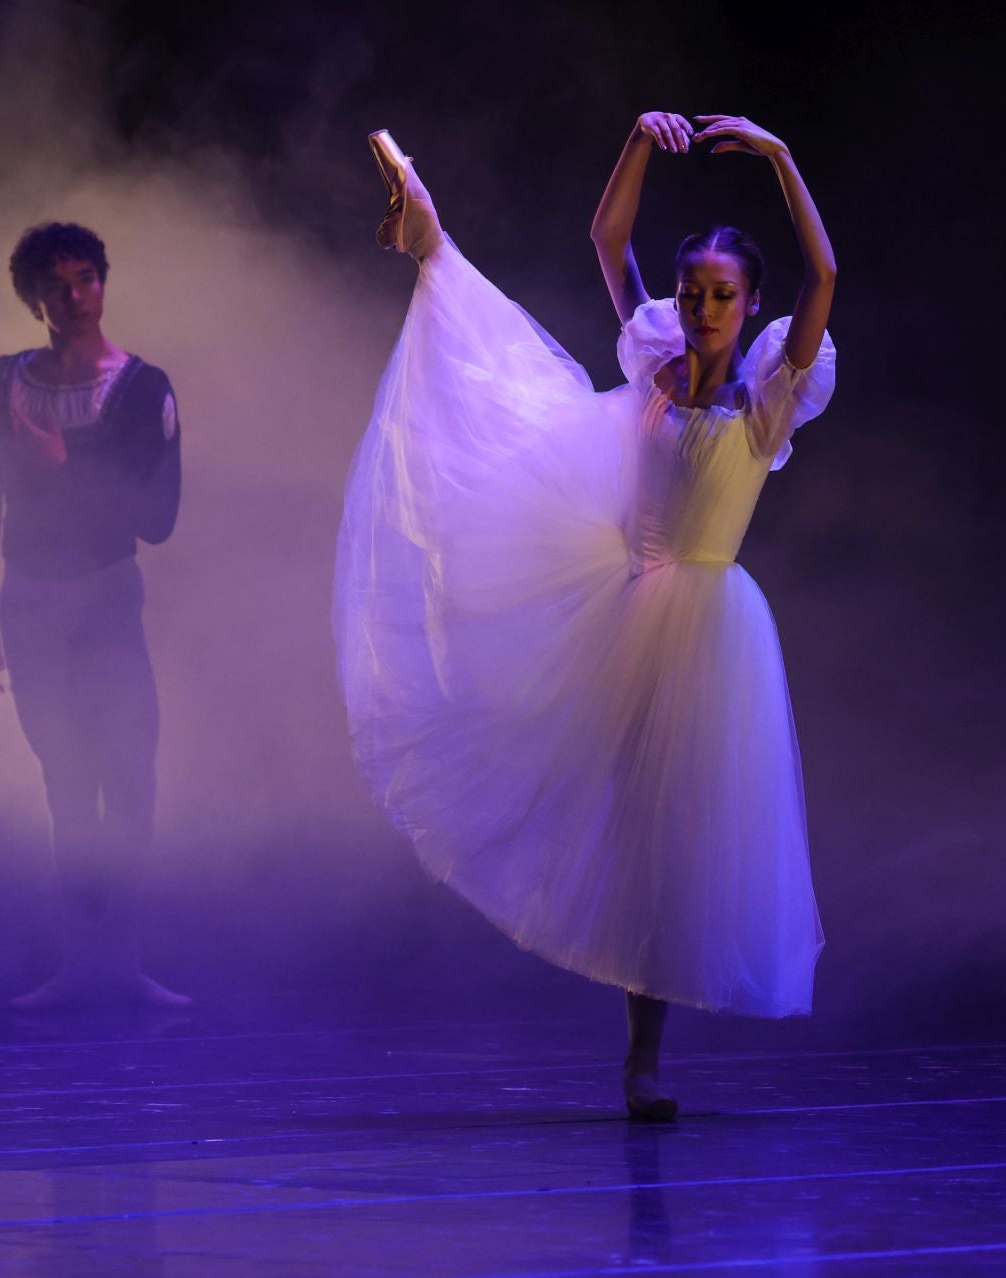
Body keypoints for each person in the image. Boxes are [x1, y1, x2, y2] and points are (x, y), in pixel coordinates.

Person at [336, 115, 838, 1119]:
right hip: (630, 606)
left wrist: (781, 155)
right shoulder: (653, 361)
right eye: (692, 291)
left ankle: (652, 1048)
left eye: (721, 296)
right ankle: (640, 1056)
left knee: (686, 837)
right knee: (636, 832)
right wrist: (638, 143)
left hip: (712, 627)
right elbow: (609, 243)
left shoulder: (768, 396)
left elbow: (824, 277)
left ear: (749, 307)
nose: (699, 308)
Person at [0, 221, 189, 1010]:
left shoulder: (143, 388)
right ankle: (82, 967)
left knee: (126, 779)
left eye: (87, 277)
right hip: (29, 602)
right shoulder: (1, 385)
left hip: (105, 598)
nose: (76, 295)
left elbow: (156, 519)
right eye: (57, 285)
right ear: (33, 300)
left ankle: (121, 965)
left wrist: (68, 465)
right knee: (66, 783)